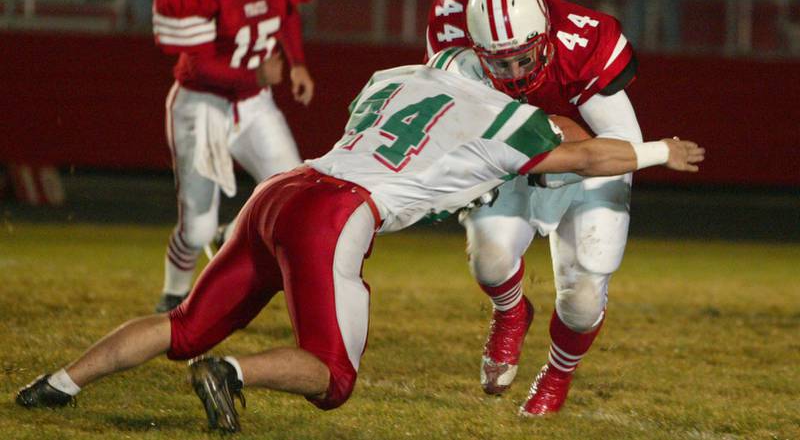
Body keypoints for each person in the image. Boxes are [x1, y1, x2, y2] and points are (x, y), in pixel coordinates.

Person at [16, 56, 703, 432]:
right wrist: (658, 150)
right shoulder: (504, 118)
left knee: (184, 324)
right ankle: (233, 374)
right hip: (334, 213)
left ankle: (57, 382)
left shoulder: (394, 77)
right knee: (332, 375)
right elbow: (582, 159)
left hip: (280, 190)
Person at [426, 0, 645, 416]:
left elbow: (624, 146)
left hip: (590, 160)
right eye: (499, 64)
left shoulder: (585, 41)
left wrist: (571, 144)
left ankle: (557, 373)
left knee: (583, 298)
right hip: (514, 157)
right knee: (489, 260)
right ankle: (511, 313)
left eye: (525, 59)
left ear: (545, 35)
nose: (514, 74)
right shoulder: (452, 28)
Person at [151, 0, 316, 313]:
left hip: (255, 104)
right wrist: (255, 72)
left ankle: (234, 234)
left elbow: (289, 15)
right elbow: (198, 64)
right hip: (201, 104)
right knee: (196, 225)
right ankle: (173, 293)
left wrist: (296, 64)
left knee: (291, 194)